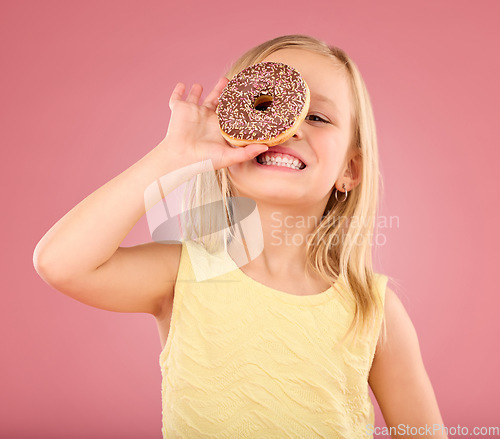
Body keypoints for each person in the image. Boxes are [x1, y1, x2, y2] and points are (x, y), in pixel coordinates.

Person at [33, 35, 447, 438]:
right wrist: (173, 155)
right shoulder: (184, 273)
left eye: (317, 117)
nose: (287, 129)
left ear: (350, 171)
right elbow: (61, 263)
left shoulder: (372, 308)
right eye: (265, 107)